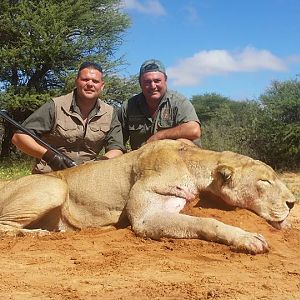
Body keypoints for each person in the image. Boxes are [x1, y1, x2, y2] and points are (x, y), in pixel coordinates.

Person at [12, 62, 125, 173]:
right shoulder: (55, 106)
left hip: (87, 176)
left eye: (95, 81)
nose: (90, 84)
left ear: (102, 86)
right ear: (76, 82)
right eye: (85, 79)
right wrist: (50, 157)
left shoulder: (110, 112)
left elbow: (117, 148)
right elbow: (19, 137)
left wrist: (99, 163)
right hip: (50, 174)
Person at [118, 59, 201, 150]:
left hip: (179, 161)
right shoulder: (128, 107)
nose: (153, 86)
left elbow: (194, 130)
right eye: (147, 82)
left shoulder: (179, 102)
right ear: (140, 83)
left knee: (182, 142)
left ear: (165, 80)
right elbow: (117, 143)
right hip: (142, 160)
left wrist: (159, 136)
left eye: (157, 81)